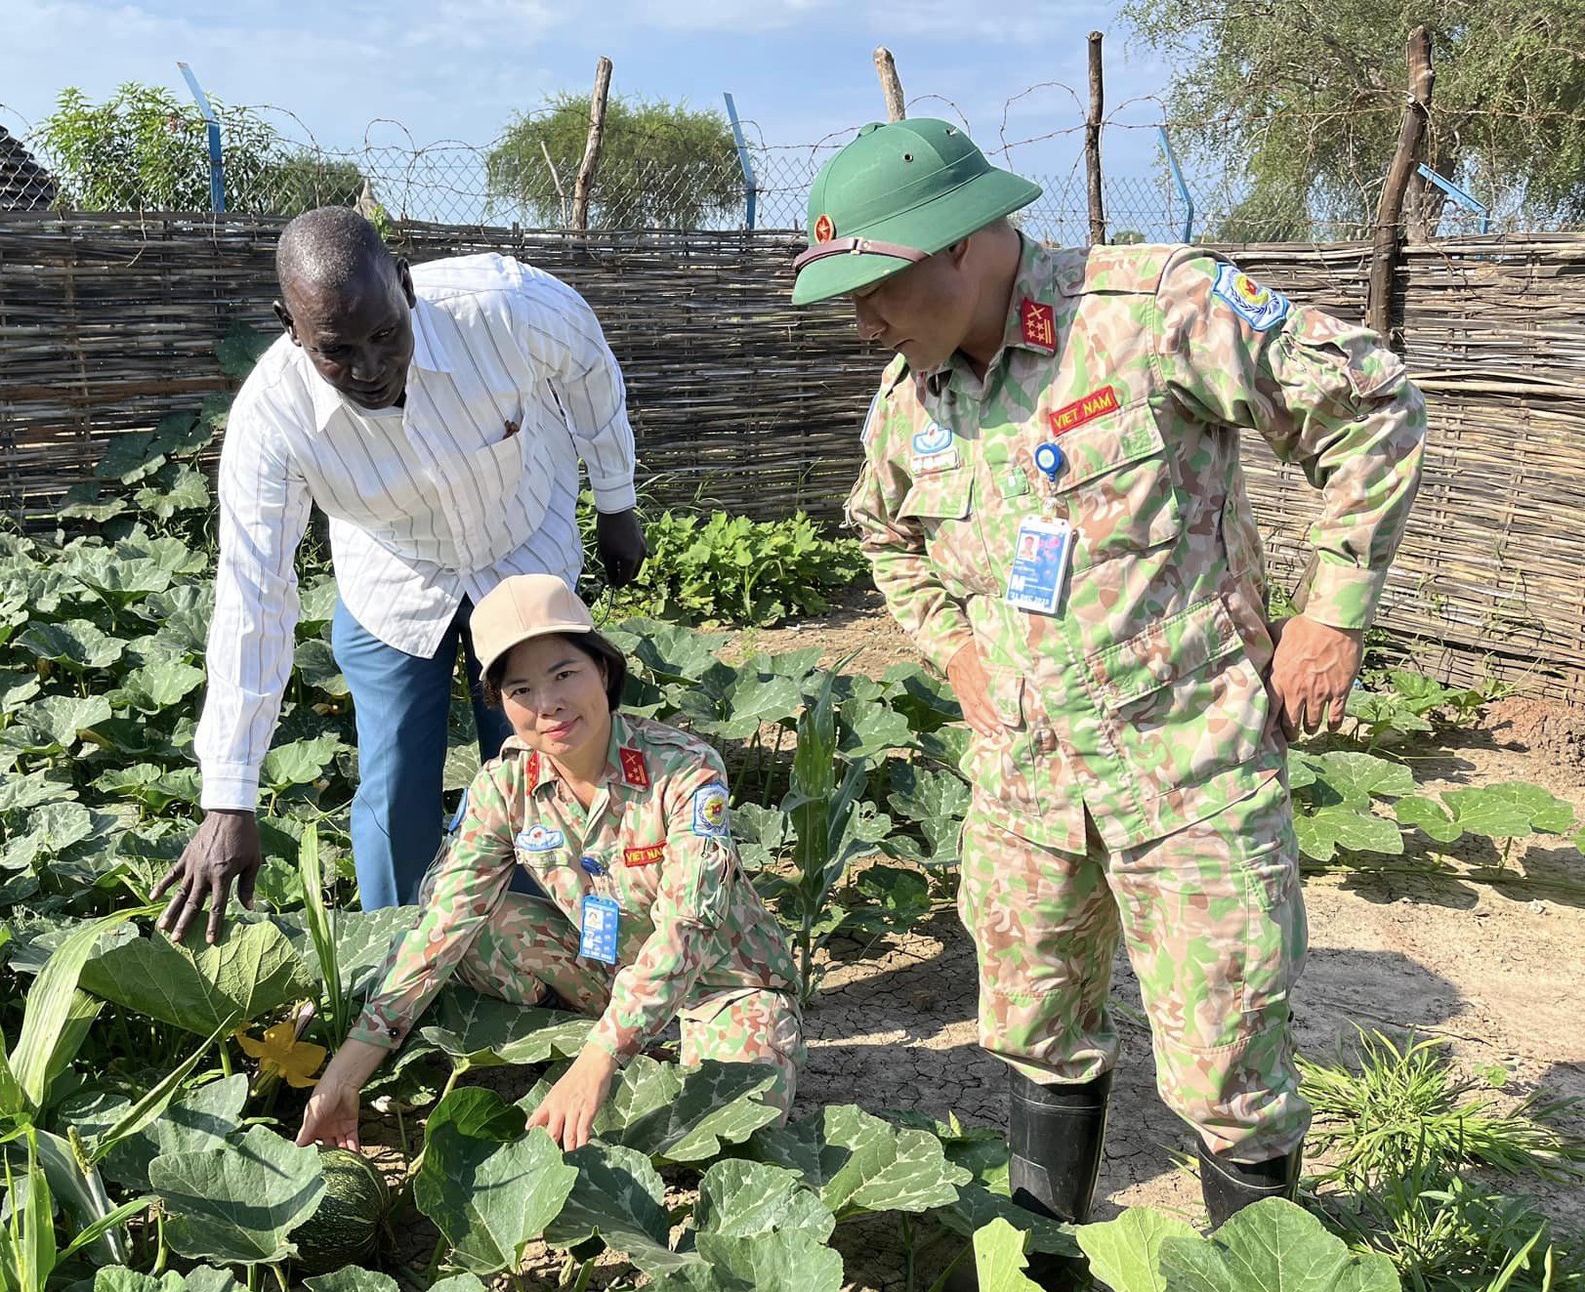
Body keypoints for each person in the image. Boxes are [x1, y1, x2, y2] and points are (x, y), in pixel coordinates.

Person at [791, 120, 1425, 1228]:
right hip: (1029, 782)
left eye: (875, 287)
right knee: (1036, 1027)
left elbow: (1369, 402)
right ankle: (1049, 1275)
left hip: (1187, 764)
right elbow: (879, 532)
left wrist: (1333, 610)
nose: (860, 320)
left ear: (959, 247)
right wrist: (952, 645)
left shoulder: (1150, 314)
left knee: (1228, 1057)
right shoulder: (910, 402)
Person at [155, 208, 647, 939]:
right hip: (394, 572)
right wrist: (230, 797)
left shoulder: (506, 308)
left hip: (520, 544)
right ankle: (402, 959)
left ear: (406, 287)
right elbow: (254, 593)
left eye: (385, 334)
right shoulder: (273, 418)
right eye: (336, 350)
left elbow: (590, 373)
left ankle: (558, 948)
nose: (370, 368)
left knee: (545, 759)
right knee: (393, 783)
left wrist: (617, 503)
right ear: (289, 327)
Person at [295, 574, 802, 1153]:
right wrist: (348, 1068)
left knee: (732, 1133)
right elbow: (443, 923)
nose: (548, 705)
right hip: (602, 976)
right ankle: (618, 1046)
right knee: (479, 926)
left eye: (565, 675)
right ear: (501, 704)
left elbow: (687, 927)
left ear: (603, 671)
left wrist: (598, 1060)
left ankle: (627, 1051)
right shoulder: (504, 782)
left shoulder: (684, 772)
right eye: (521, 690)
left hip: (720, 986)